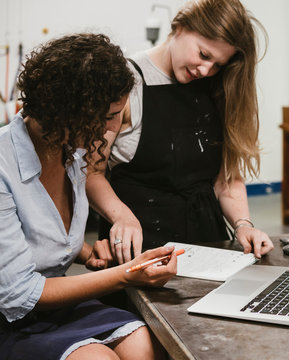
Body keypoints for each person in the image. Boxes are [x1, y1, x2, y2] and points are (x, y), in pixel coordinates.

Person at [0, 33, 177, 360]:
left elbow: (36, 235)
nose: (112, 128)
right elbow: (19, 293)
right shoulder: (3, 165)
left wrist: (83, 253)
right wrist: (126, 275)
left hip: (54, 304)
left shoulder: (71, 150)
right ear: (70, 112)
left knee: (145, 344)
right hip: (11, 317)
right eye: (109, 116)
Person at [86, 0, 274, 264]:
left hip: (208, 245)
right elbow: (91, 174)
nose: (206, 70)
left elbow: (226, 179)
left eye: (218, 64)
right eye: (204, 55)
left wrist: (243, 224)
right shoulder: (126, 83)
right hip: (141, 250)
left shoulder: (217, 87)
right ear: (180, 27)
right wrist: (121, 216)